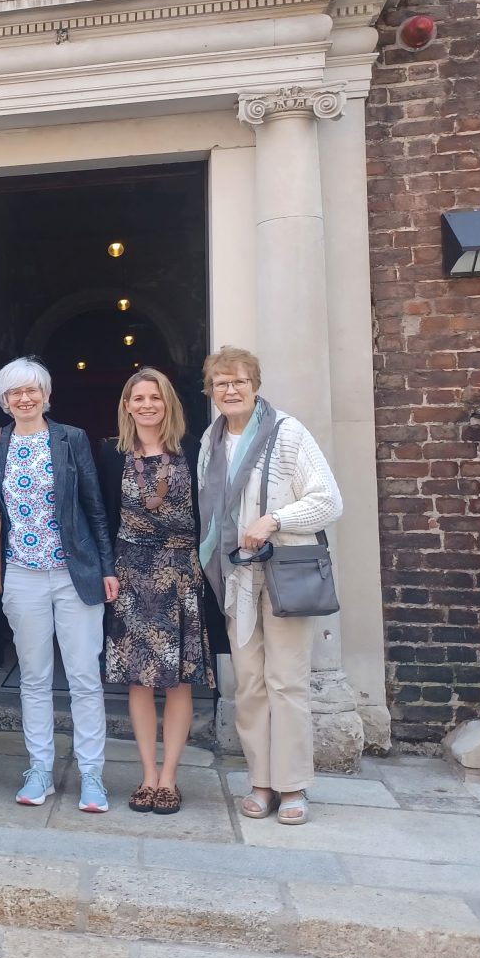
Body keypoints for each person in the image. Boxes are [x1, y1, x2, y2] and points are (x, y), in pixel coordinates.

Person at [196, 346, 342, 827]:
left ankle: (293, 785)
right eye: (221, 384)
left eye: (238, 381)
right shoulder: (210, 440)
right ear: (211, 392)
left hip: (283, 576)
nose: (230, 390)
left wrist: (274, 519)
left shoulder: (288, 433)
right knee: (251, 685)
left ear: (255, 385)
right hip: (237, 579)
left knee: (287, 682)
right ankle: (261, 781)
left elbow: (328, 501)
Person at [0, 358, 118, 813]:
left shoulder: (72, 438)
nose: (24, 398)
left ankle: (92, 774)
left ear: (45, 393)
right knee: (34, 677)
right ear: (4, 400)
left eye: (32, 390)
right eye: (14, 392)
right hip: (21, 574)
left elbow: (95, 506)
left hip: (73, 572)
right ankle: (40, 768)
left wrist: (106, 567)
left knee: (83, 676)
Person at [97, 367, 222, 816]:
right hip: (130, 574)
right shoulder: (110, 454)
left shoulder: (194, 449)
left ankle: (170, 778)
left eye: (155, 397)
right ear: (127, 406)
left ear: (168, 403)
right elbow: (102, 516)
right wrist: (105, 569)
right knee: (138, 680)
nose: (147, 405)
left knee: (179, 682)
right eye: (138, 398)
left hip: (181, 573)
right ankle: (147, 775)